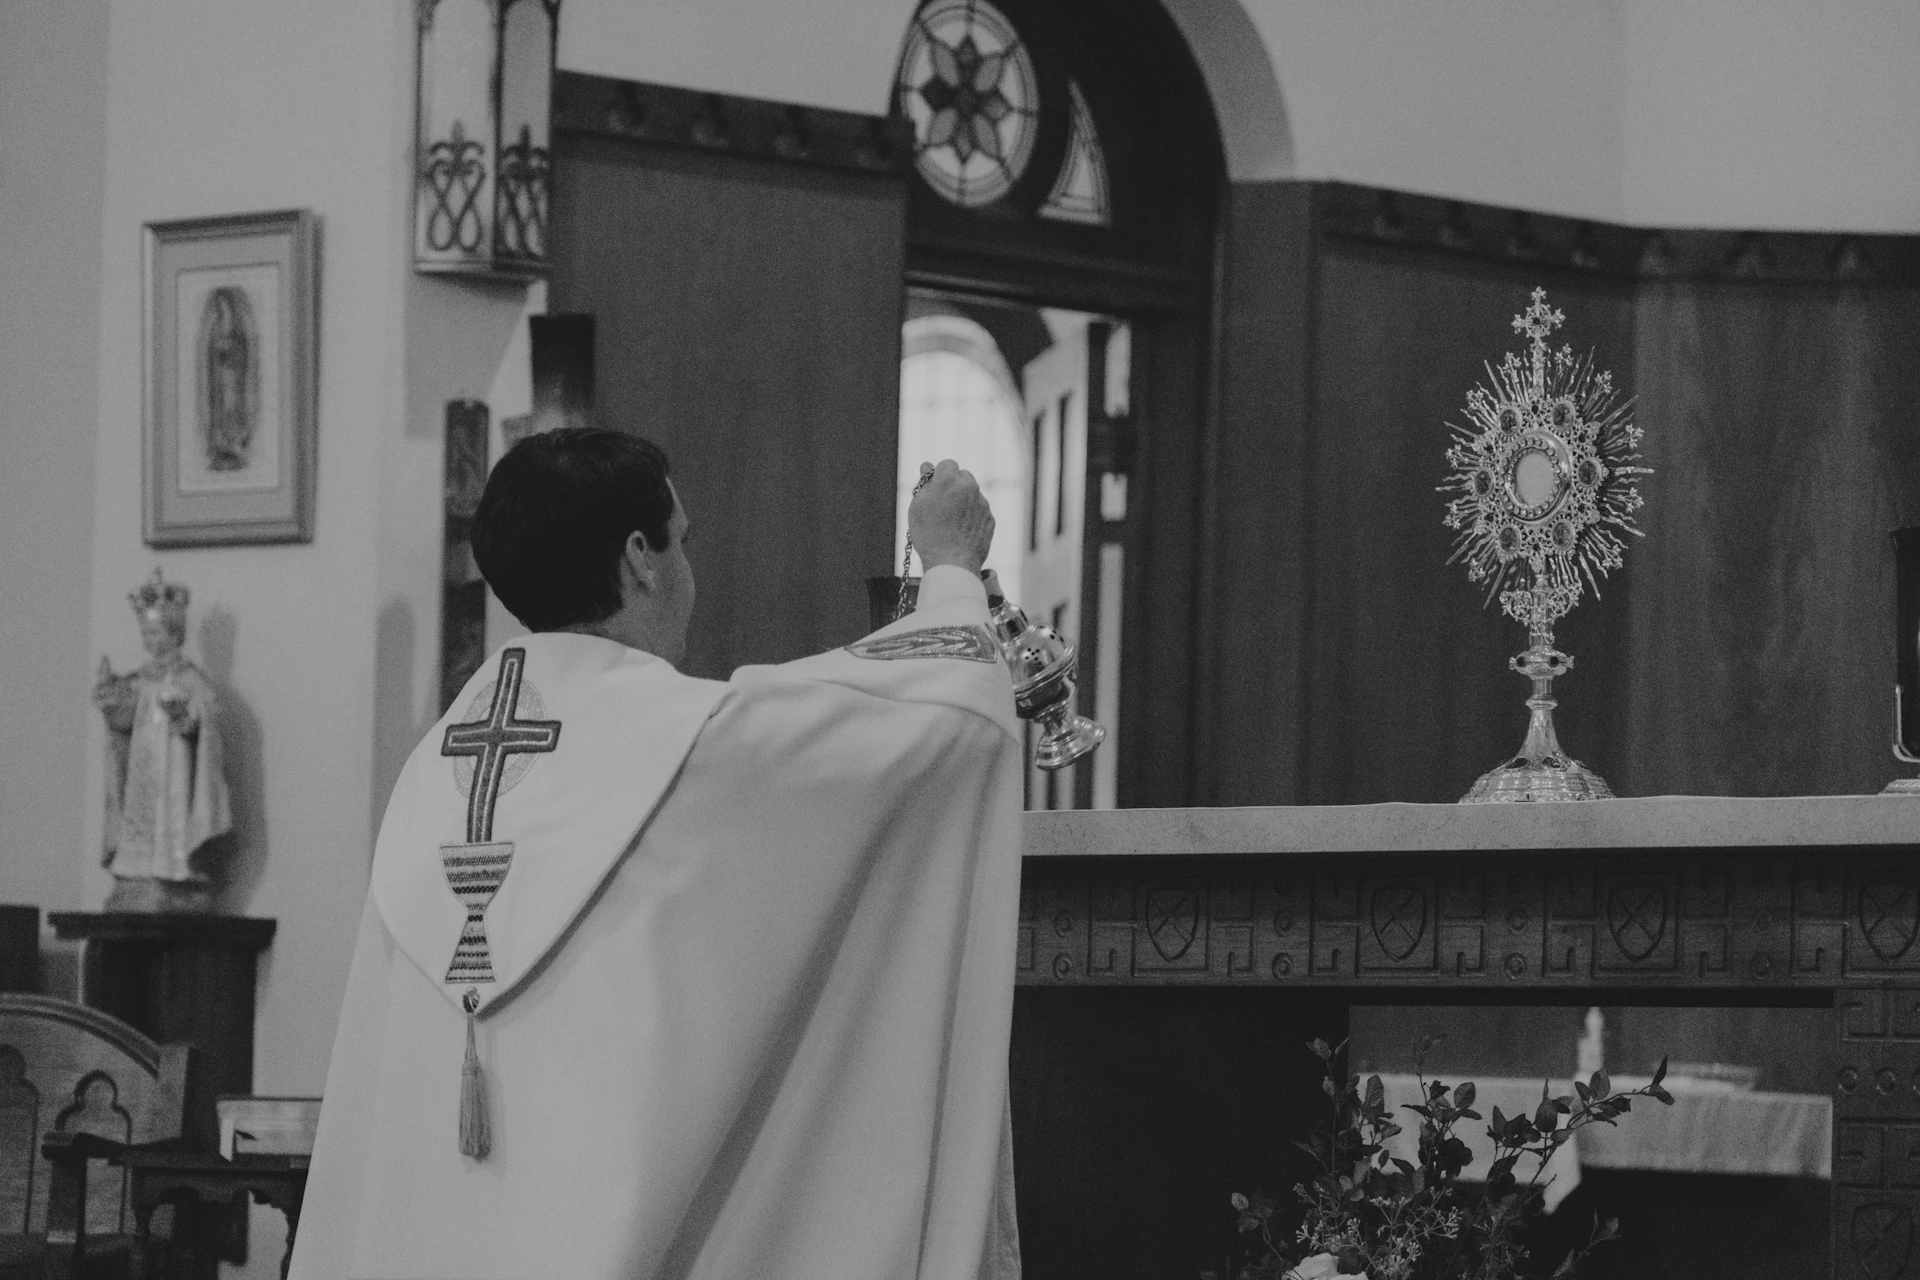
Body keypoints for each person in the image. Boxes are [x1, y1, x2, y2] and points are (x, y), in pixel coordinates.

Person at [290, 428, 1025, 1280]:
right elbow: (945, 721)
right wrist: (949, 570)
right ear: (640, 558)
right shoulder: (697, 745)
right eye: (684, 541)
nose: (689, 572)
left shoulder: (434, 770)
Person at [93, 569, 231, 911]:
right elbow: (124, 720)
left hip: (175, 768)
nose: (149, 640)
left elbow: (206, 719)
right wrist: (111, 700)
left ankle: (174, 871)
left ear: (174, 633)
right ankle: (139, 872)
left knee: (169, 816)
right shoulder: (140, 678)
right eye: (145, 633)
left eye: (154, 632)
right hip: (144, 767)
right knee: (141, 817)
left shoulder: (189, 677)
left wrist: (186, 716)